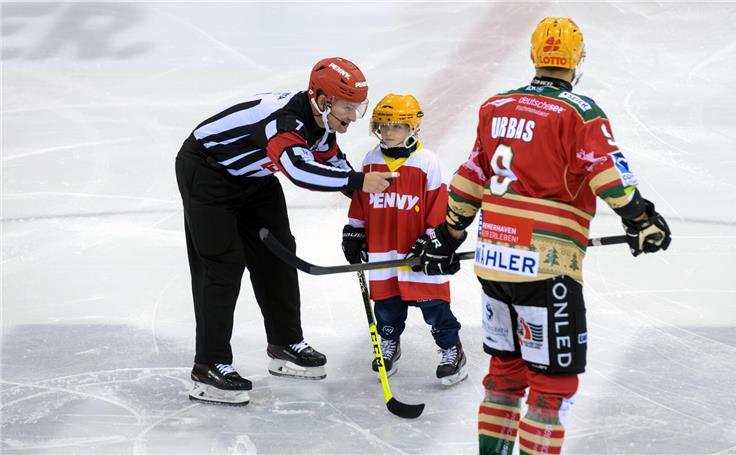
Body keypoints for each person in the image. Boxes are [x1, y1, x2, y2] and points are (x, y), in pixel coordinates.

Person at [414, 18, 672, 454]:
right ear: (577, 61)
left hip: (494, 262)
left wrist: (447, 234)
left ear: (535, 56)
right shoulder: (579, 112)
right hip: (546, 269)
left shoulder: (495, 107)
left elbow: (470, 177)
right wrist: (641, 219)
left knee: (506, 374)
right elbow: (608, 175)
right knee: (553, 385)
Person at [175, 57, 396, 406]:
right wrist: (358, 182)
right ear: (322, 100)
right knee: (222, 265)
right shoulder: (285, 122)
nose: (354, 117)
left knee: (278, 252)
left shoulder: (323, 124)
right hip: (208, 173)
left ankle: (284, 343)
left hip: (255, 179)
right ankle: (209, 365)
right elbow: (299, 171)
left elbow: (334, 164)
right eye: (347, 107)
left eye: (358, 107)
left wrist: (371, 211)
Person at [341, 94, 468, 386]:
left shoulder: (427, 161)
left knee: (434, 306)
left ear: (413, 128)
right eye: (383, 126)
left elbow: (438, 204)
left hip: (418, 252)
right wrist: (355, 230)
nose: (388, 132)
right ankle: (389, 344)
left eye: (396, 126)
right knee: (386, 306)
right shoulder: (372, 159)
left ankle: (452, 349)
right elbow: (362, 199)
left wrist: (432, 240)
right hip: (383, 248)